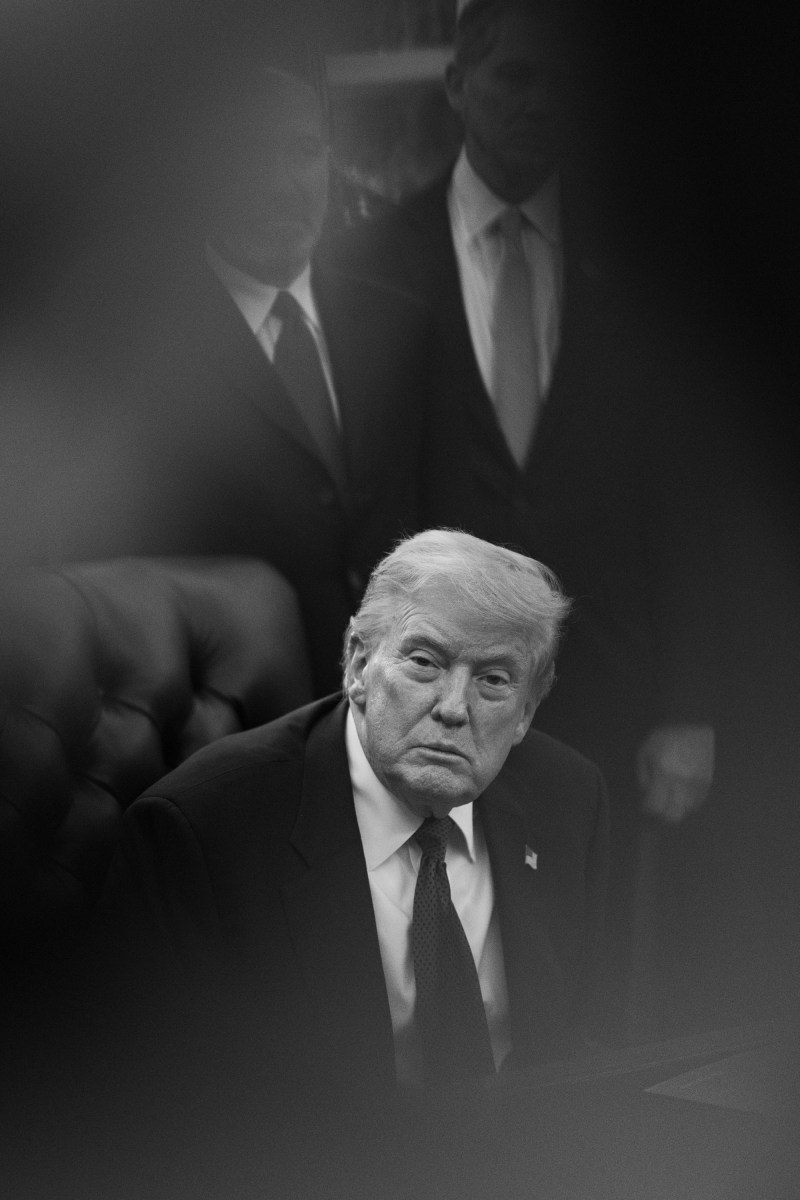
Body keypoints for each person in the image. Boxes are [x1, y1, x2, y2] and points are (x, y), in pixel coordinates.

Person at [337, 0, 723, 1035]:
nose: (537, 103)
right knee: (453, 962)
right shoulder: (370, 259)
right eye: (512, 76)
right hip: (437, 693)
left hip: (612, 692)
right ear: (456, 85)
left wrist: (689, 703)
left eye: (560, 81)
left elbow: (681, 498)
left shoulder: (648, 255)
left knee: (599, 989)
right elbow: (366, 501)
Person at [82, 530, 607, 1179]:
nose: (452, 707)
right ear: (359, 663)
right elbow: (146, 1120)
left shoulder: (568, 798)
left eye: (493, 681)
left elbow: (584, 1052)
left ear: (527, 712)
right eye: (424, 662)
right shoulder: (199, 833)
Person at [80, 64, 435, 697]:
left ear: (332, 159)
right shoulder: (143, 361)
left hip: (403, 709)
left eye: (302, 151)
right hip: (230, 726)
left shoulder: (400, 324)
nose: (280, 183)